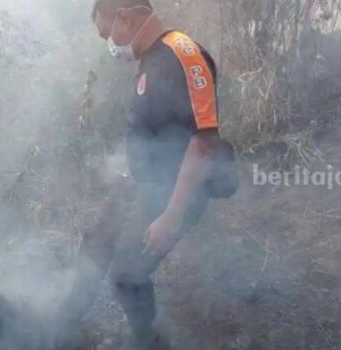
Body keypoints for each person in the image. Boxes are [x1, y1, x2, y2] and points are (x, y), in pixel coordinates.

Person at [58, 0, 239, 349]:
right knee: (95, 243)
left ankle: (149, 342)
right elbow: (158, 133)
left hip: (176, 192)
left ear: (125, 17)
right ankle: (63, 326)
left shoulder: (183, 55)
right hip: (145, 185)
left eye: (106, 33)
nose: (108, 43)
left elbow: (203, 142)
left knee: (127, 275)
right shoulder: (150, 61)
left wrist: (171, 217)